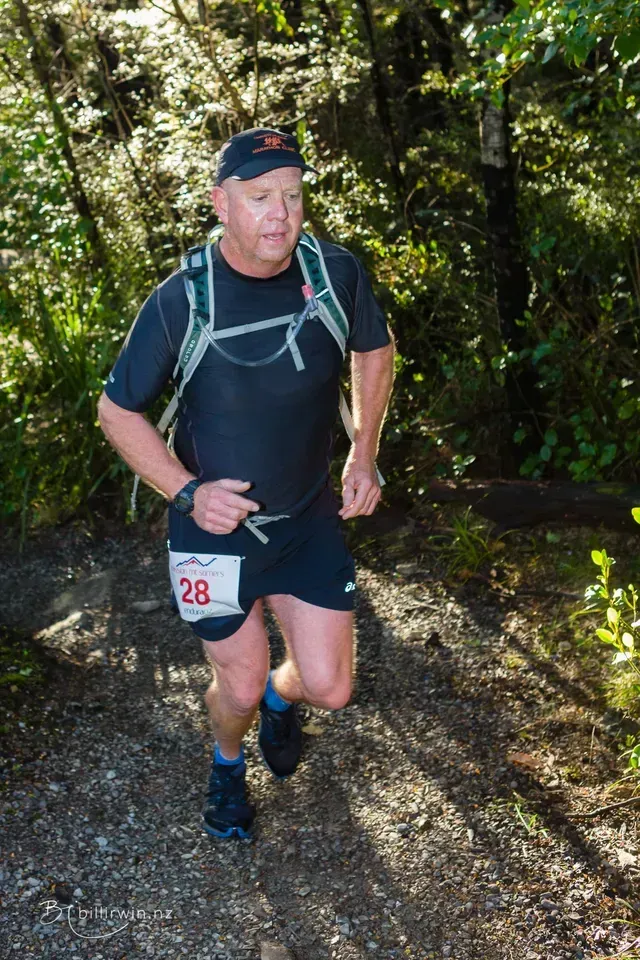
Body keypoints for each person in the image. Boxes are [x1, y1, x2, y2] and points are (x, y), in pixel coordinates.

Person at [98, 127, 395, 838]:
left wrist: (363, 453)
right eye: (260, 196)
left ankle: (280, 698)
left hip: (306, 520)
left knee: (332, 686)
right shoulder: (181, 299)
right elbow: (116, 411)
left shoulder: (336, 274)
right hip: (209, 532)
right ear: (220, 205)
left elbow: (377, 353)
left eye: (292, 195)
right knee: (232, 684)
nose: (280, 213)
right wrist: (188, 491)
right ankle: (227, 764)